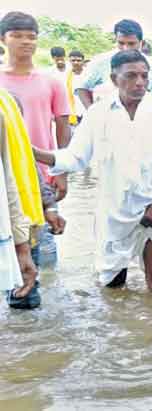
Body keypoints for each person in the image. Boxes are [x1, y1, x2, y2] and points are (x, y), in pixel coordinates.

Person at [32, 50, 152, 293]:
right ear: (114, 79)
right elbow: (75, 158)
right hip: (115, 210)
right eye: (131, 76)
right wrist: (35, 153)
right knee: (113, 283)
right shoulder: (98, 114)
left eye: (145, 76)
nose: (140, 83)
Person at [0, 11, 72, 269]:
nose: (25, 42)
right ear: (2, 39)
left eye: (31, 37)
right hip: (4, 173)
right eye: (17, 36)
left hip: (41, 174)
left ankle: (43, 300)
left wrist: (62, 171)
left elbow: (63, 127)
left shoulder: (51, 82)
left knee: (43, 243)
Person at [0, 89, 64, 309]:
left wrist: (50, 207)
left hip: (18, 226)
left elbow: (25, 174)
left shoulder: (5, 104)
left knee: (23, 297)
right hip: (16, 228)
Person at [76, 19, 152, 116]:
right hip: (109, 123)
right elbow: (82, 88)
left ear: (141, 43)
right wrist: (93, 115)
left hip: (142, 123)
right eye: (121, 43)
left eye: (131, 44)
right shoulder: (101, 62)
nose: (126, 48)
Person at [66, 50, 86, 125]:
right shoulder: (66, 76)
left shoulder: (89, 74)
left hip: (88, 111)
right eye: (73, 60)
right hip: (75, 113)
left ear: (83, 61)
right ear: (69, 61)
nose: (76, 62)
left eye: (78, 60)